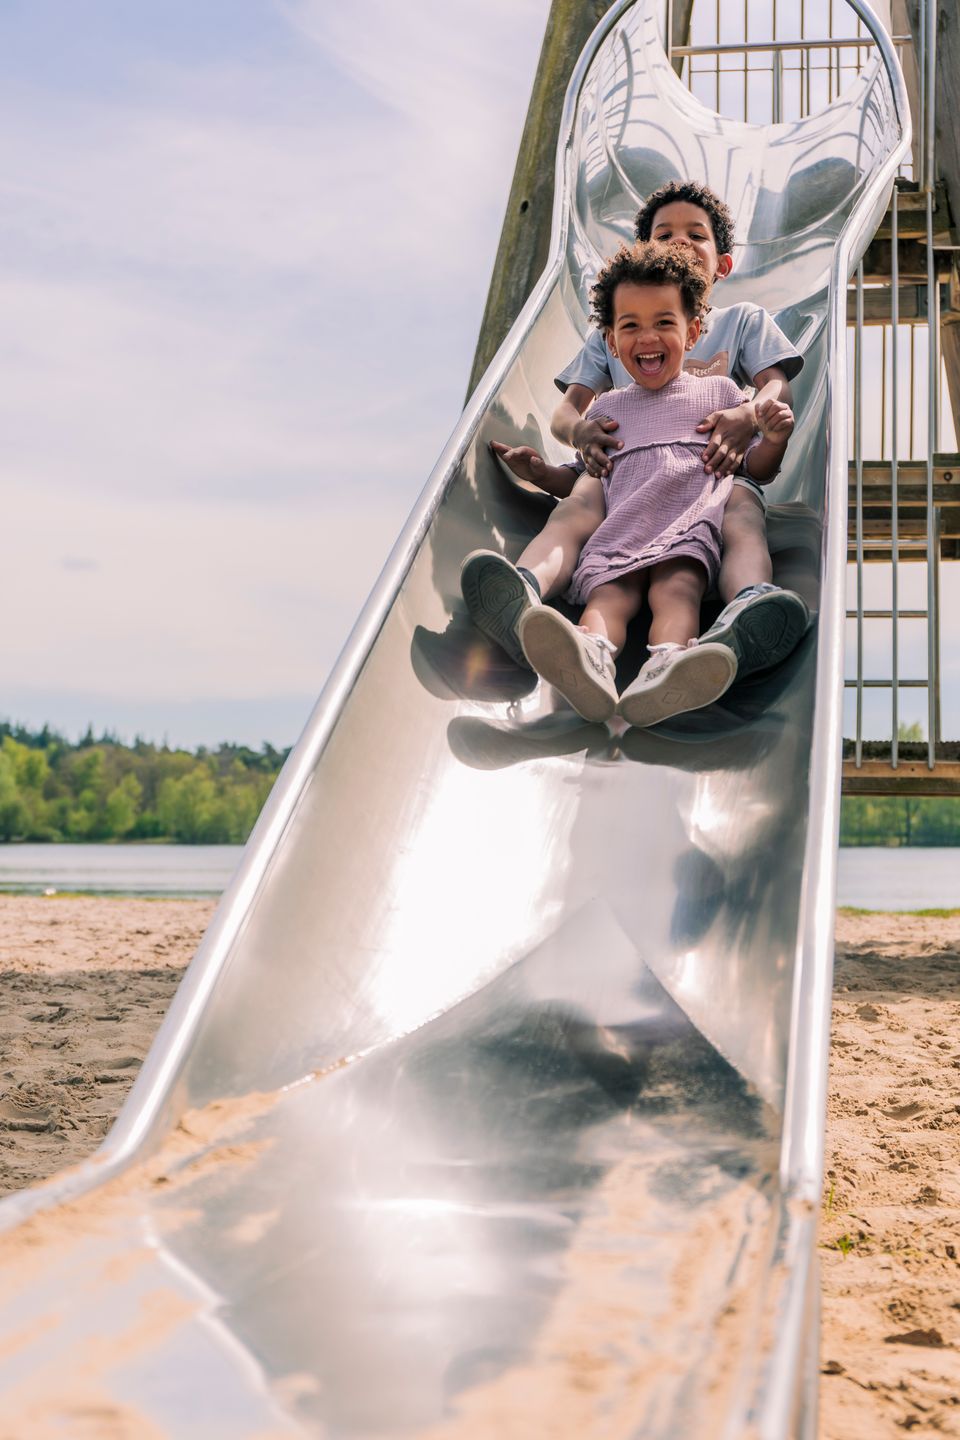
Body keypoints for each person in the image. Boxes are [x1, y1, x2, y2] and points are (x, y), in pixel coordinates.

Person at [461, 179, 808, 681]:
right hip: (624, 468)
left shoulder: (742, 321)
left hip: (713, 466)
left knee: (741, 514)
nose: (679, 242)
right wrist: (579, 437)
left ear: (723, 263)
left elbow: (775, 385)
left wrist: (751, 416)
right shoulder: (616, 337)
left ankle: (747, 603)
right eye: (664, 235)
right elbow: (567, 414)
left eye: (696, 234)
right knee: (578, 502)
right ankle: (525, 589)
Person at [506, 242, 796, 726]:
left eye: (664, 322)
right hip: (621, 528)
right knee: (608, 597)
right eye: (630, 326)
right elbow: (589, 474)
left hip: (686, 524)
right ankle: (590, 656)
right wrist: (542, 474)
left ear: (693, 331)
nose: (647, 337)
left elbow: (754, 469)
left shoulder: (721, 394)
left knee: (676, 590)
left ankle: (668, 663)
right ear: (612, 343)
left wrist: (776, 439)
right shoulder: (606, 409)